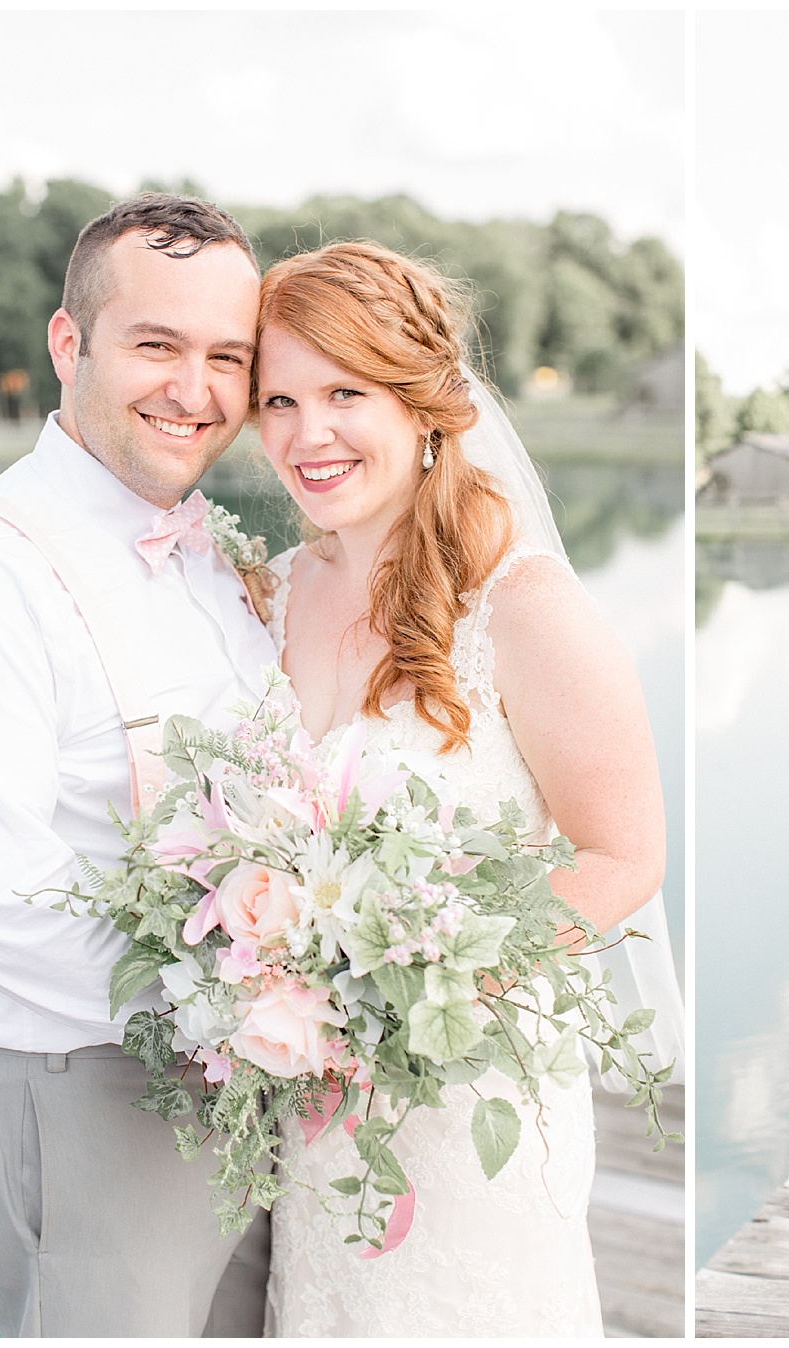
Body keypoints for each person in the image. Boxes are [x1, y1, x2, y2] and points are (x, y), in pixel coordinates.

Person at [0, 194, 277, 1335]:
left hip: (242, 1079)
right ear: (67, 342)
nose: (193, 390)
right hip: (77, 1090)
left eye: (226, 357)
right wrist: (250, 1004)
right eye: (157, 344)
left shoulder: (212, 556)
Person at [247, 240, 671, 1337]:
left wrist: (446, 983)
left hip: (466, 1098)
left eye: (347, 392)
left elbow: (623, 855)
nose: (308, 433)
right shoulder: (268, 596)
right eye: (279, 399)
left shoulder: (523, 606)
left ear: (425, 401)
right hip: (318, 1110)